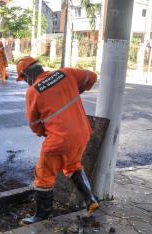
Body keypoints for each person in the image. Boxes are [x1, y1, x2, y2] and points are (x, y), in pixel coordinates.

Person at [16, 56, 99, 224]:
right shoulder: (66, 73)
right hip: (83, 133)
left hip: (59, 140)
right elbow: (92, 77)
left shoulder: (33, 92)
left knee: (44, 175)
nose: (26, 82)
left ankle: (42, 215)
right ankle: (90, 200)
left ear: (28, 76)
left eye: (24, 79)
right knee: (73, 165)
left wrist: (43, 131)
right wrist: (77, 89)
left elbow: (34, 125)